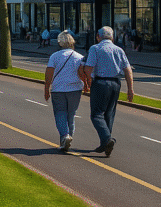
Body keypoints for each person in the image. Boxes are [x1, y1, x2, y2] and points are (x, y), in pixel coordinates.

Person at [79, 26, 135, 157]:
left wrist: (88, 82)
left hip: (101, 82)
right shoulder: (119, 50)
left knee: (96, 114)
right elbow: (128, 70)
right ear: (112, 37)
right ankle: (105, 144)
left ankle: (106, 139)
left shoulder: (95, 48)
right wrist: (130, 89)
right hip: (116, 83)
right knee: (109, 114)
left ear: (98, 37)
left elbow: (88, 68)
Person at [43, 31, 84, 152]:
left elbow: (49, 74)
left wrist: (46, 89)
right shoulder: (79, 56)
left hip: (59, 89)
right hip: (75, 89)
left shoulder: (54, 56)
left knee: (60, 113)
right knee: (71, 114)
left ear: (60, 43)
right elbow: (82, 73)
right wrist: (86, 85)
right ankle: (68, 138)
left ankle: (65, 136)